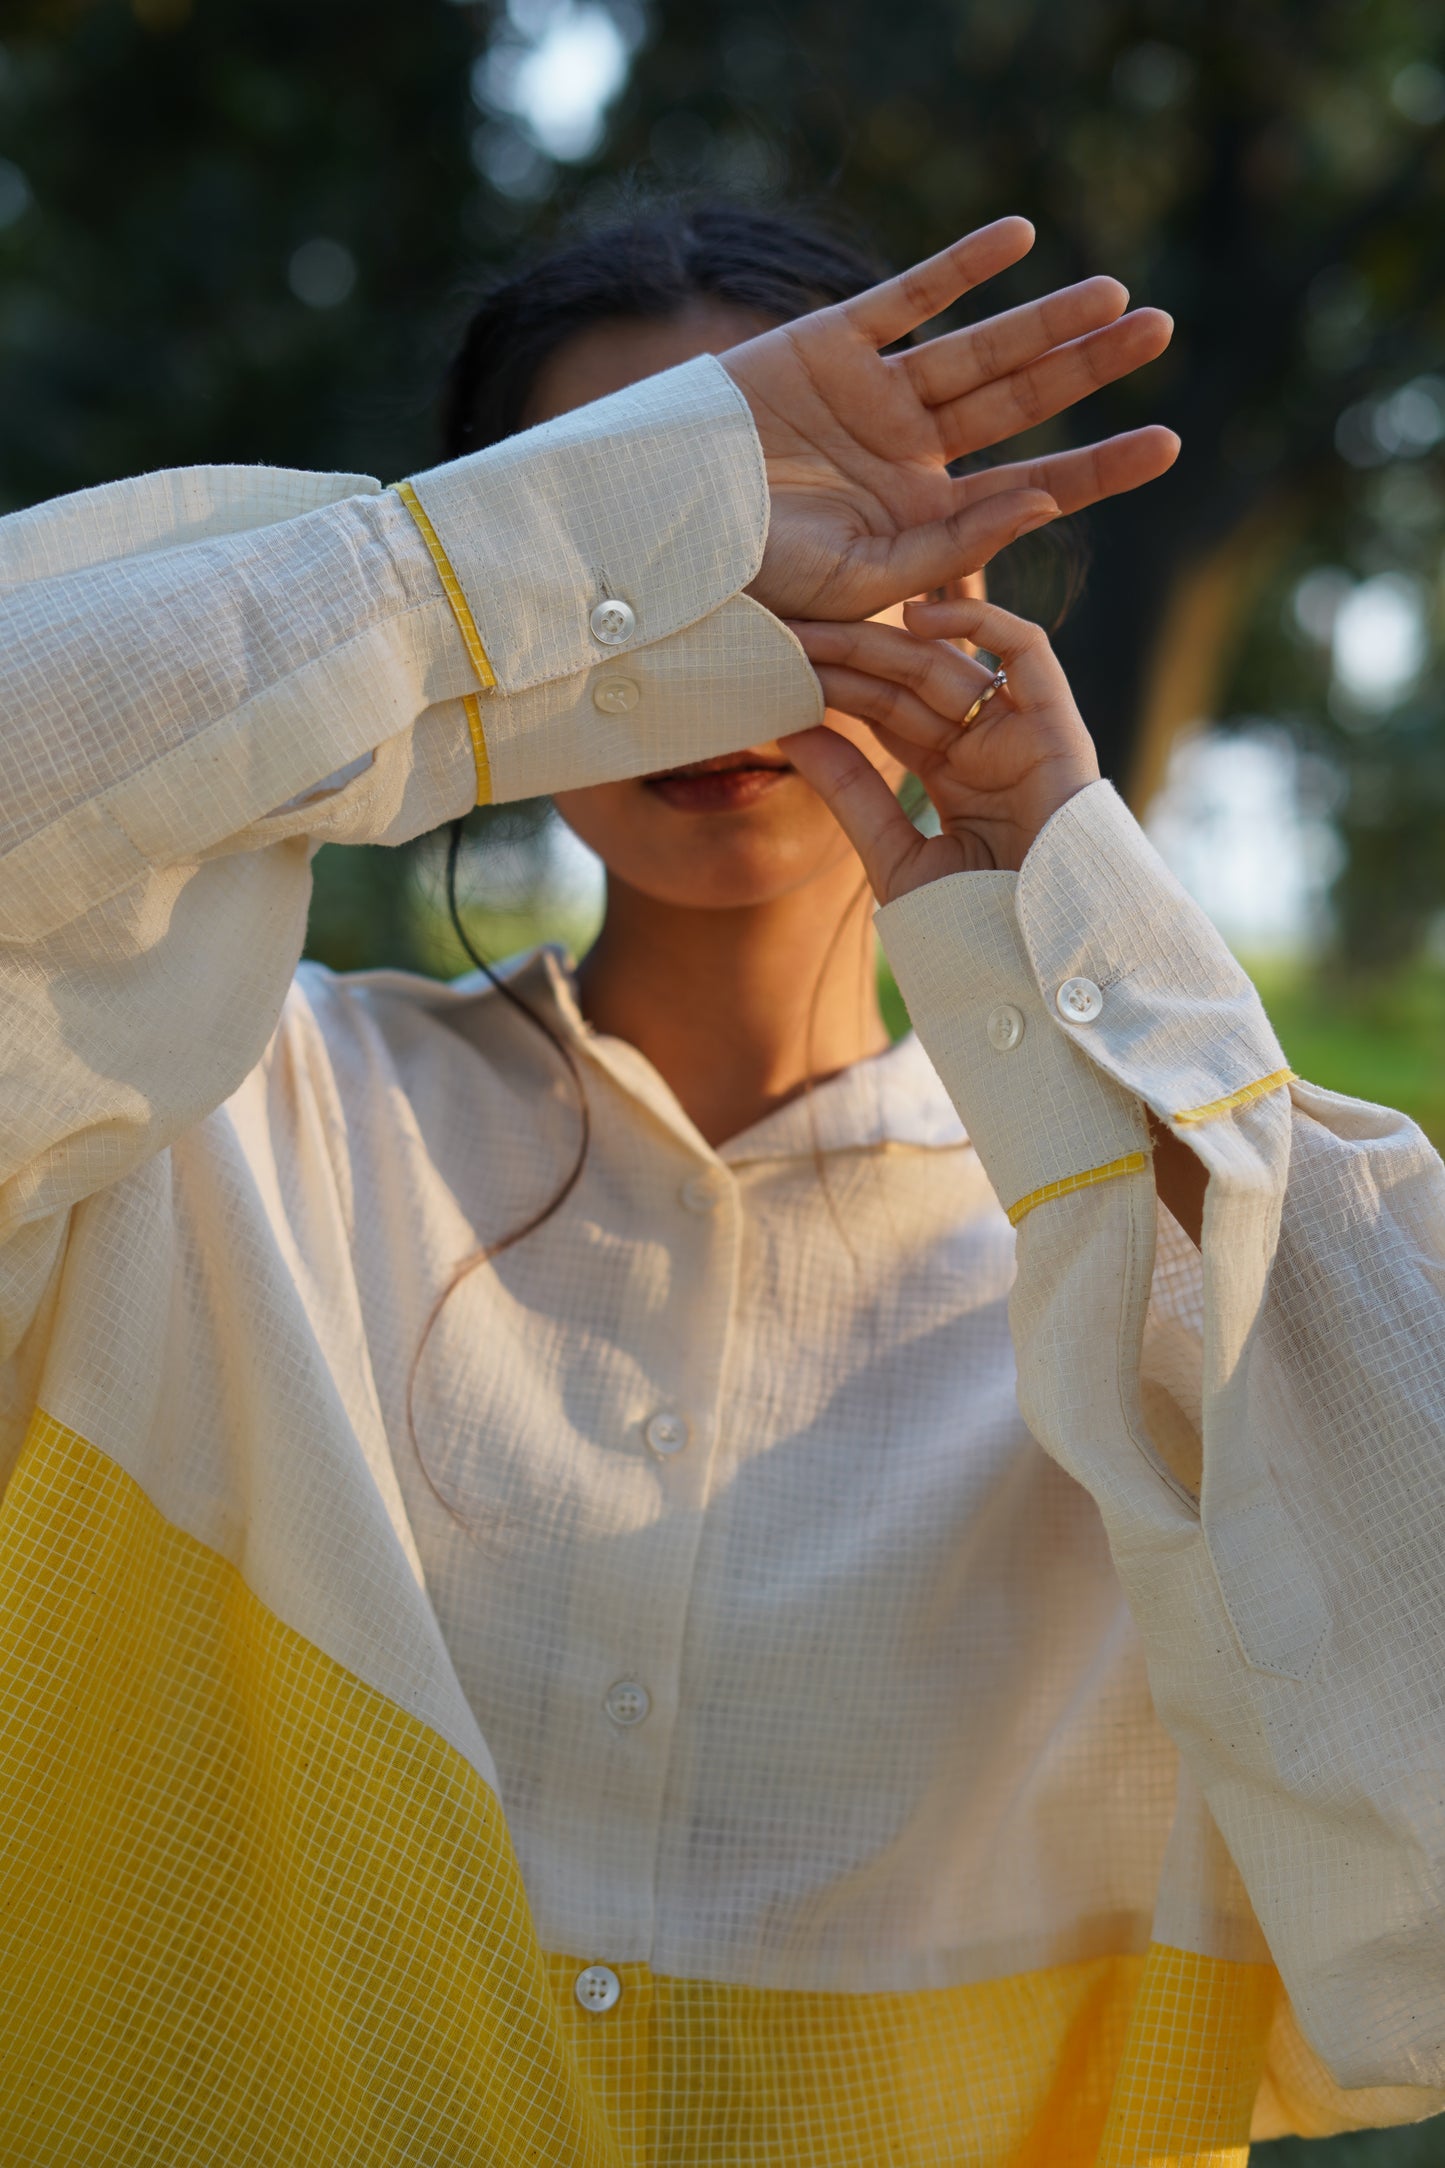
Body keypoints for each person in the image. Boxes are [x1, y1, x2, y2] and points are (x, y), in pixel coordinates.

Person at [0, 203, 1439, 2167]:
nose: (723, 645)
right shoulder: (227, 1125)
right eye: (659, 553)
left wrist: (1080, 945)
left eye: (810, 534)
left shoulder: (1160, 1258)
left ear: (972, 576)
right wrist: (470, 594)